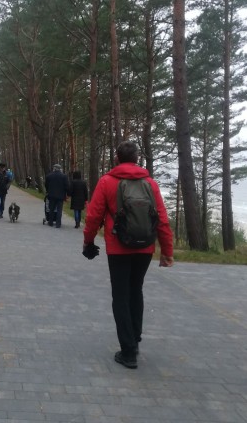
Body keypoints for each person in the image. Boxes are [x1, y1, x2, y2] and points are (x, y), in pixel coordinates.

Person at [82, 141, 173, 370]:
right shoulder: (150, 184)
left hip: (119, 247)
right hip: (145, 249)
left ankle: (128, 350)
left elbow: (93, 216)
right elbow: (161, 219)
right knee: (136, 291)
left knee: (120, 295)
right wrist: (167, 251)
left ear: (117, 158)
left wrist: (88, 241)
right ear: (137, 158)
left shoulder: (107, 182)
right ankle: (135, 338)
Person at [44, 164, 70, 228]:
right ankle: (58, 224)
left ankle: (50, 222)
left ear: (54, 168)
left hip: (51, 195)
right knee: (59, 210)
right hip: (60, 196)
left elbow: (46, 185)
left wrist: (48, 191)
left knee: (51, 209)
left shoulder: (49, 176)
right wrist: (67, 194)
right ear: (60, 169)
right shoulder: (64, 176)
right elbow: (67, 186)